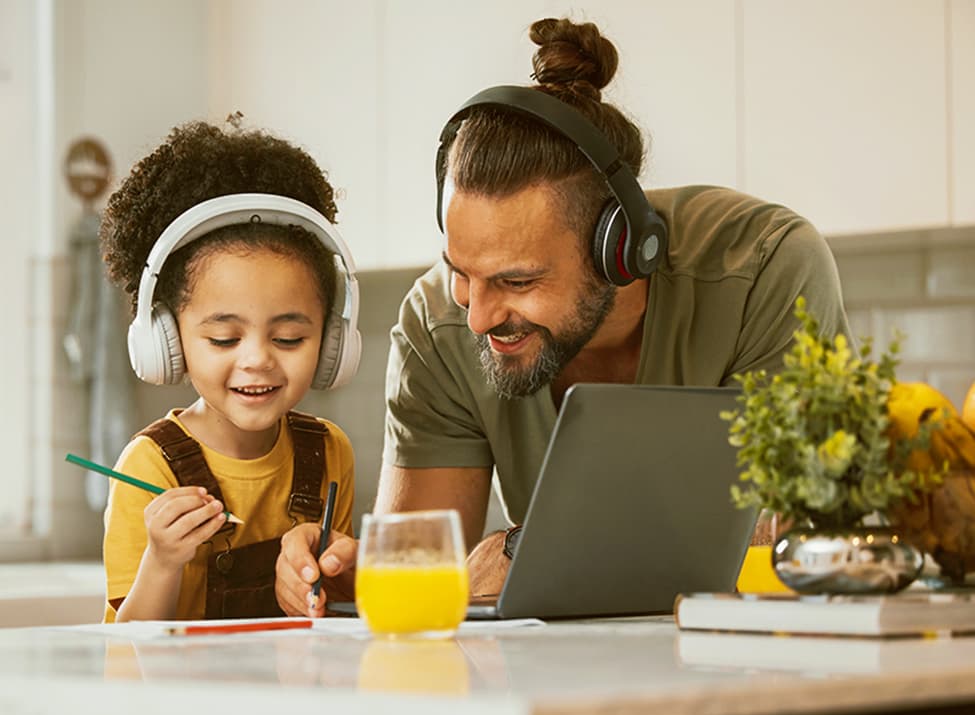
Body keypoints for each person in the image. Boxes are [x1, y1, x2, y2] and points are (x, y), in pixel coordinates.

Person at [274, 17, 853, 614]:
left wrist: (526, 549)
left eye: (517, 281)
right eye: (461, 271)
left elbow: (790, 537)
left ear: (619, 250)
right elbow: (425, 575)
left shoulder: (763, 269)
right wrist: (352, 578)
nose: (478, 318)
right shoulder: (438, 321)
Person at [100, 117, 359, 622]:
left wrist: (334, 580)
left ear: (332, 339)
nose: (257, 359)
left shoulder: (329, 452)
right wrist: (162, 561)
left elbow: (334, 616)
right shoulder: (149, 467)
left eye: (289, 338)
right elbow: (127, 653)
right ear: (168, 340)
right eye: (224, 339)